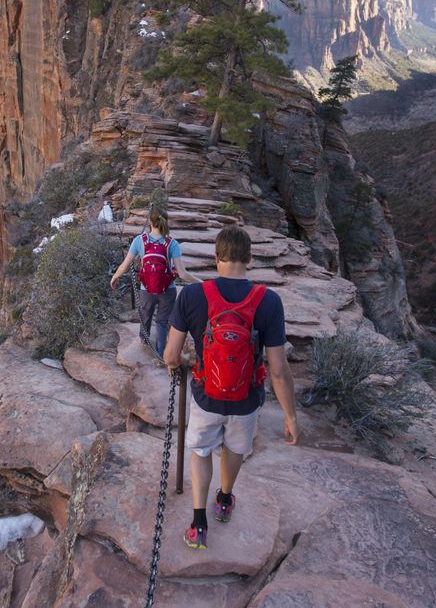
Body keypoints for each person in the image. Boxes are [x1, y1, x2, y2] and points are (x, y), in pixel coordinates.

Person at [163, 224, 300, 551]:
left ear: (216, 257)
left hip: (205, 394)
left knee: (200, 450)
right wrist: (291, 416)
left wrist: (175, 365)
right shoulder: (269, 301)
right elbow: (279, 370)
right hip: (246, 399)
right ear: (249, 258)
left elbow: (170, 354)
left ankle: (199, 523)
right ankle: (224, 499)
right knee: (235, 450)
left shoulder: (193, 296)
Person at [110, 205, 199, 357]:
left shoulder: (140, 241)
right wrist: (202, 282)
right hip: (168, 289)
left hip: (146, 289)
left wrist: (115, 276)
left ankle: (143, 341)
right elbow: (183, 274)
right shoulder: (172, 243)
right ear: (166, 222)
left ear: (150, 222)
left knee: (145, 316)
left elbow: (125, 265)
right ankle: (160, 352)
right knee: (162, 322)